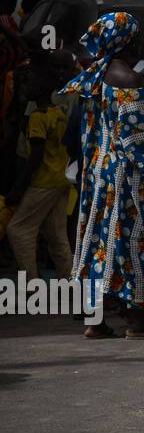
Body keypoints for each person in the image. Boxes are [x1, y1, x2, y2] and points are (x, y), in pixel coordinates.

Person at [62, 12, 144, 339]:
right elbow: (139, 139)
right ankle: (137, 321)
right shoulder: (128, 80)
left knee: (100, 240)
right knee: (135, 240)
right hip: (129, 177)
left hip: (98, 174)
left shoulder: (95, 77)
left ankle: (95, 322)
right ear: (129, 41)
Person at [7, 59, 75, 281]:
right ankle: (71, 281)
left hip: (43, 182)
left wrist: (17, 189)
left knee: (18, 230)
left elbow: (35, 158)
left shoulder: (37, 118)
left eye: (28, 84)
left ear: (41, 88)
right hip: (61, 179)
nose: (23, 88)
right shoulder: (57, 113)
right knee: (57, 236)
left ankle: (31, 284)